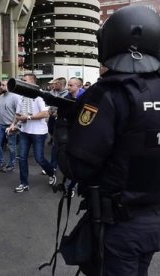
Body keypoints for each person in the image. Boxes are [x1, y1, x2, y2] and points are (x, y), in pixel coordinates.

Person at [60, 6, 160, 275]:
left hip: (120, 223)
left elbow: (77, 166)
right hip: (153, 218)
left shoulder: (108, 93)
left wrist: (65, 128)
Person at [11, 74, 56, 193]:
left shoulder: (40, 95)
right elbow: (18, 114)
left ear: (32, 82)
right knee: (22, 158)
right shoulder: (21, 96)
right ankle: (24, 183)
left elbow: (46, 114)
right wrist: (13, 124)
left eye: (24, 81)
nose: (22, 82)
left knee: (39, 158)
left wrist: (29, 117)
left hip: (38, 133)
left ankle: (51, 173)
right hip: (25, 132)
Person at [0, 80, 20, 173]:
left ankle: (11, 165)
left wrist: (14, 125)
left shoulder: (16, 97)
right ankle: (1, 163)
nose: (1, 87)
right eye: (1, 85)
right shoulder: (1, 96)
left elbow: (18, 113)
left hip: (10, 126)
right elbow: (0, 111)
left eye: (3, 85)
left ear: (9, 86)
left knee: (12, 147)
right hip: (0, 125)